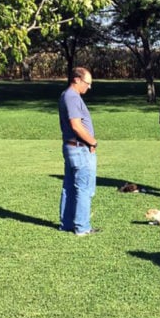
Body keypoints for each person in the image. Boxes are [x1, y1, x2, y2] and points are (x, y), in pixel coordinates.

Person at [58, 67, 99, 236]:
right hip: (80, 149)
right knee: (84, 188)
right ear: (76, 79)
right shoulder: (72, 97)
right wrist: (92, 141)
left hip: (72, 148)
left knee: (69, 187)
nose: (88, 87)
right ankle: (82, 227)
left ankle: (67, 223)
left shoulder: (67, 96)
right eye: (87, 83)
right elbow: (76, 125)